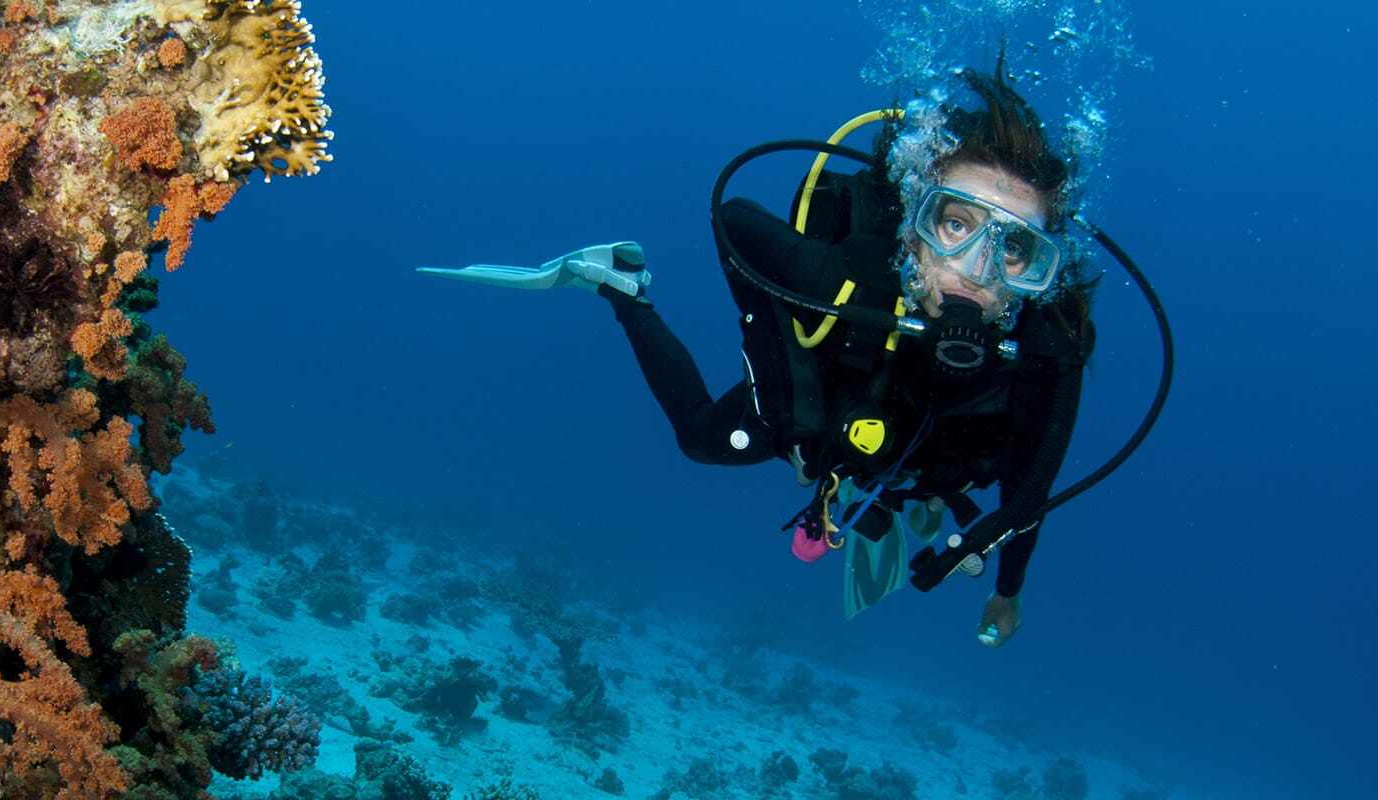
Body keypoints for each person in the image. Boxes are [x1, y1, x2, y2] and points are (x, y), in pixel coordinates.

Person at [423, 63, 1115, 647]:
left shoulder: (1047, 354)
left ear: (1039, 272)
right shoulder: (847, 280)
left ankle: (895, 490)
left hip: (922, 450)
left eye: (1014, 248)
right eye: (956, 224)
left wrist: (1007, 593)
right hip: (831, 407)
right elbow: (734, 220)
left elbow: (1029, 492)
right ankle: (622, 287)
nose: (975, 267)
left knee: (935, 475)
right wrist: (783, 353)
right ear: (914, 226)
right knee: (701, 439)